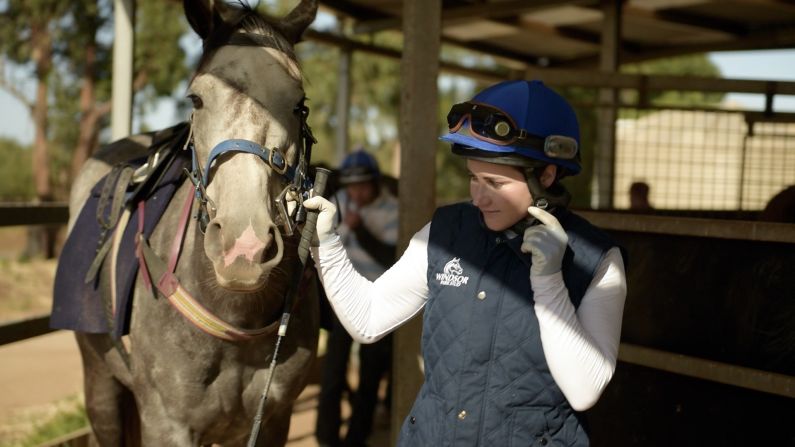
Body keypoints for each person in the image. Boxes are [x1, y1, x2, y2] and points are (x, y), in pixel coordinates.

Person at [305, 80, 627, 446]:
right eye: (473, 178)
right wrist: (326, 243)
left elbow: (585, 390)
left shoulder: (599, 261)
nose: (478, 197)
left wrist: (550, 281)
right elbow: (368, 319)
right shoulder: (445, 231)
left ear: (547, 175)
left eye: (494, 182)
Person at [315, 149, 399, 447]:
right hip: (342, 299)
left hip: (378, 299)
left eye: (363, 185)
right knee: (332, 372)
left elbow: (391, 257)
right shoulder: (338, 203)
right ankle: (325, 435)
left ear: (376, 183)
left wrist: (358, 228)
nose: (356, 192)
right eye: (351, 186)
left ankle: (357, 438)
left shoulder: (394, 210)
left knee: (370, 376)